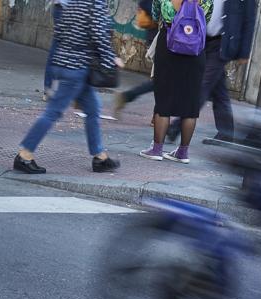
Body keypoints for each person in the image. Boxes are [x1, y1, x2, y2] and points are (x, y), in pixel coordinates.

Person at [14, 0, 120, 175]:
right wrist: (111, 61)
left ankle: (100, 157)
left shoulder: (72, 1)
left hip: (67, 64)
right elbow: (100, 35)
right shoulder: (95, 3)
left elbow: (60, 31)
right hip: (76, 68)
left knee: (93, 109)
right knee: (53, 112)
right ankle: (24, 155)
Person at [165, 0, 256, 142]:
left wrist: (244, 52)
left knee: (202, 85)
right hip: (202, 39)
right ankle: (226, 134)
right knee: (219, 91)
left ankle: (176, 126)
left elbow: (249, 20)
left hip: (222, 43)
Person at [141, 0, 213, 164]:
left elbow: (154, 14)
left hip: (169, 44)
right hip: (195, 48)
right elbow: (206, 18)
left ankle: (157, 149)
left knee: (163, 99)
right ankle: (182, 152)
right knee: (190, 105)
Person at [111, 0, 157, 118]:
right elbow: (146, 5)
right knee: (162, 80)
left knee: (162, 80)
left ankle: (127, 97)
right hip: (158, 38)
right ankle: (127, 96)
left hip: (162, 37)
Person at [43, 0, 68, 99]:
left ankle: (49, 89)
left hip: (62, 8)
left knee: (58, 49)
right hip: (66, 9)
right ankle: (50, 89)